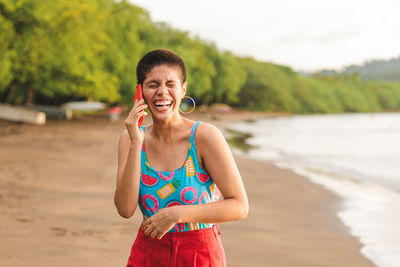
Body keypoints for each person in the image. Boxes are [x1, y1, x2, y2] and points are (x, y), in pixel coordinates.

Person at [114, 49, 249, 267]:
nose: (162, 92)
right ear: (140, 91)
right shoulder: (129, 140)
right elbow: (125, 209)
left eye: (170, 84)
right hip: (148, 252)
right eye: (153, 84)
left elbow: (239, 206)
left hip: (200, 252)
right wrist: (136, 143)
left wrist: (178, 214)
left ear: (183, 88)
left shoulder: (204, 136)